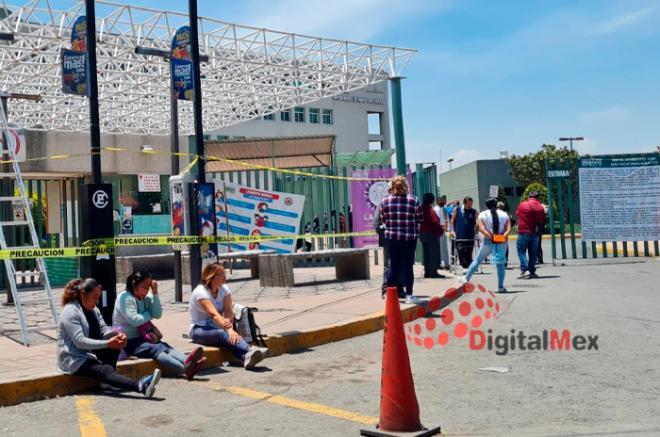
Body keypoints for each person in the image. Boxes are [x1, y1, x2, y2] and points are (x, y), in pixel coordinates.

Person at [57, 278, 161, 398]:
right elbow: (80, 342)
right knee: (105, 370)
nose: (97, 301)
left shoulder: (94, 309)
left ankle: (108, 382)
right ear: (83, 294)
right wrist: (108, 343)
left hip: (89, 353)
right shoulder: (70, 312)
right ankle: (140, 386)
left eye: (98, 297)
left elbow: (103, 328)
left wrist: (116, 334)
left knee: (116, 342)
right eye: (94, 298)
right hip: (73, 359)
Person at [113, 270, 207, 380]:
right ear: (134, 284)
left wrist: (155, 292)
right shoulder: (125, 298)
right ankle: (186, 369)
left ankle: (188, 362)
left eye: (149, 286)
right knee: (155, 349)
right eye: (144, 286)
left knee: (164, 346)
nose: (147, 290)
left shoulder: (145, 298)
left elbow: (157, 314)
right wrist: (149, 314)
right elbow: (135, 320)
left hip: (143, 337)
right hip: (128, 341)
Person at [189, 263, 268, 369]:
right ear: (211, 277)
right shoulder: (200, 292)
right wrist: (230, 330)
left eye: (224, 273)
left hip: (218, 326)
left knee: (228, 337)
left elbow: (228, 311)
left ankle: (246, 357)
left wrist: (229, 327)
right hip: (199, 329)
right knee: (223, 334)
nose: (224, 277)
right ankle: (250, 350)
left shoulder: (224, 289)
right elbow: (214, 314)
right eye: (221, 274)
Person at [379, 176, 423, 303]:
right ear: (405, 186)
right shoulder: (414, 200)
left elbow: (384, 219)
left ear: (392, 187)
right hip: (409, 238)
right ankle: (409, 295)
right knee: (408, 266)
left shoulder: (385, 200)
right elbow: (420, 218)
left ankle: (391, 296)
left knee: (394, 265)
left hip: (392, 238)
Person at [460, 198, 511, 293]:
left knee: (478, 260)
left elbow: (482, 229)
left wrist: (491, 236)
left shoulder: (482, 215)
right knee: (500, 264)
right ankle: (500, 287)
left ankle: (466, 278)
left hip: (488, 240)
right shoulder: (504, 214)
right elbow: (508, 228)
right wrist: (502, 236)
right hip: (501, 240)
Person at [516, 191, 546, 279]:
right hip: (535, 233)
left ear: (529, 196)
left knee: (521, 251)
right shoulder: (540, 207)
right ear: (538, 198)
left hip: (524, 231)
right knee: (533, 253)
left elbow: (517, 214)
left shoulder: (522, 205)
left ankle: (524, 268)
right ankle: (532, 271)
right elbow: (541, 221)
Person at [420, 192, 445, 278]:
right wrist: (440, 231)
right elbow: (434, 222)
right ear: (432, 200)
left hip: (422, 233)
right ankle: (433, 272)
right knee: (434, 253)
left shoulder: (420, 208)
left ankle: (427, 272)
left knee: (426, 254)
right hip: (431, 234)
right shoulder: (430, 210)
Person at [451, 197, 478, 271]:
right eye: (469, 204)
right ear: (464, 203)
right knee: (461, 252)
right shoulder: (458, 209)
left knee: (469, 252)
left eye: (471, 204)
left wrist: (477, 227)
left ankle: (469, 266)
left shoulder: (473, 211)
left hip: (470, 235)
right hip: (460, 235)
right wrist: (452, 230)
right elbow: (453, 220)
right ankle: (465, 266)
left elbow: (477, 221)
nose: (470, 206)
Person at [434, 195, 450, 270]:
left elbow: (445, 220)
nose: (443, 201)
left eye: (444, 200)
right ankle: (440, 263)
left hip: (443, 230)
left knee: (444, 247)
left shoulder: (443, 209)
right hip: (438, 230)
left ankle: (446, 263)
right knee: (440, 247)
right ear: (438, 201)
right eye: (442, 200)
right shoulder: (436, 209)